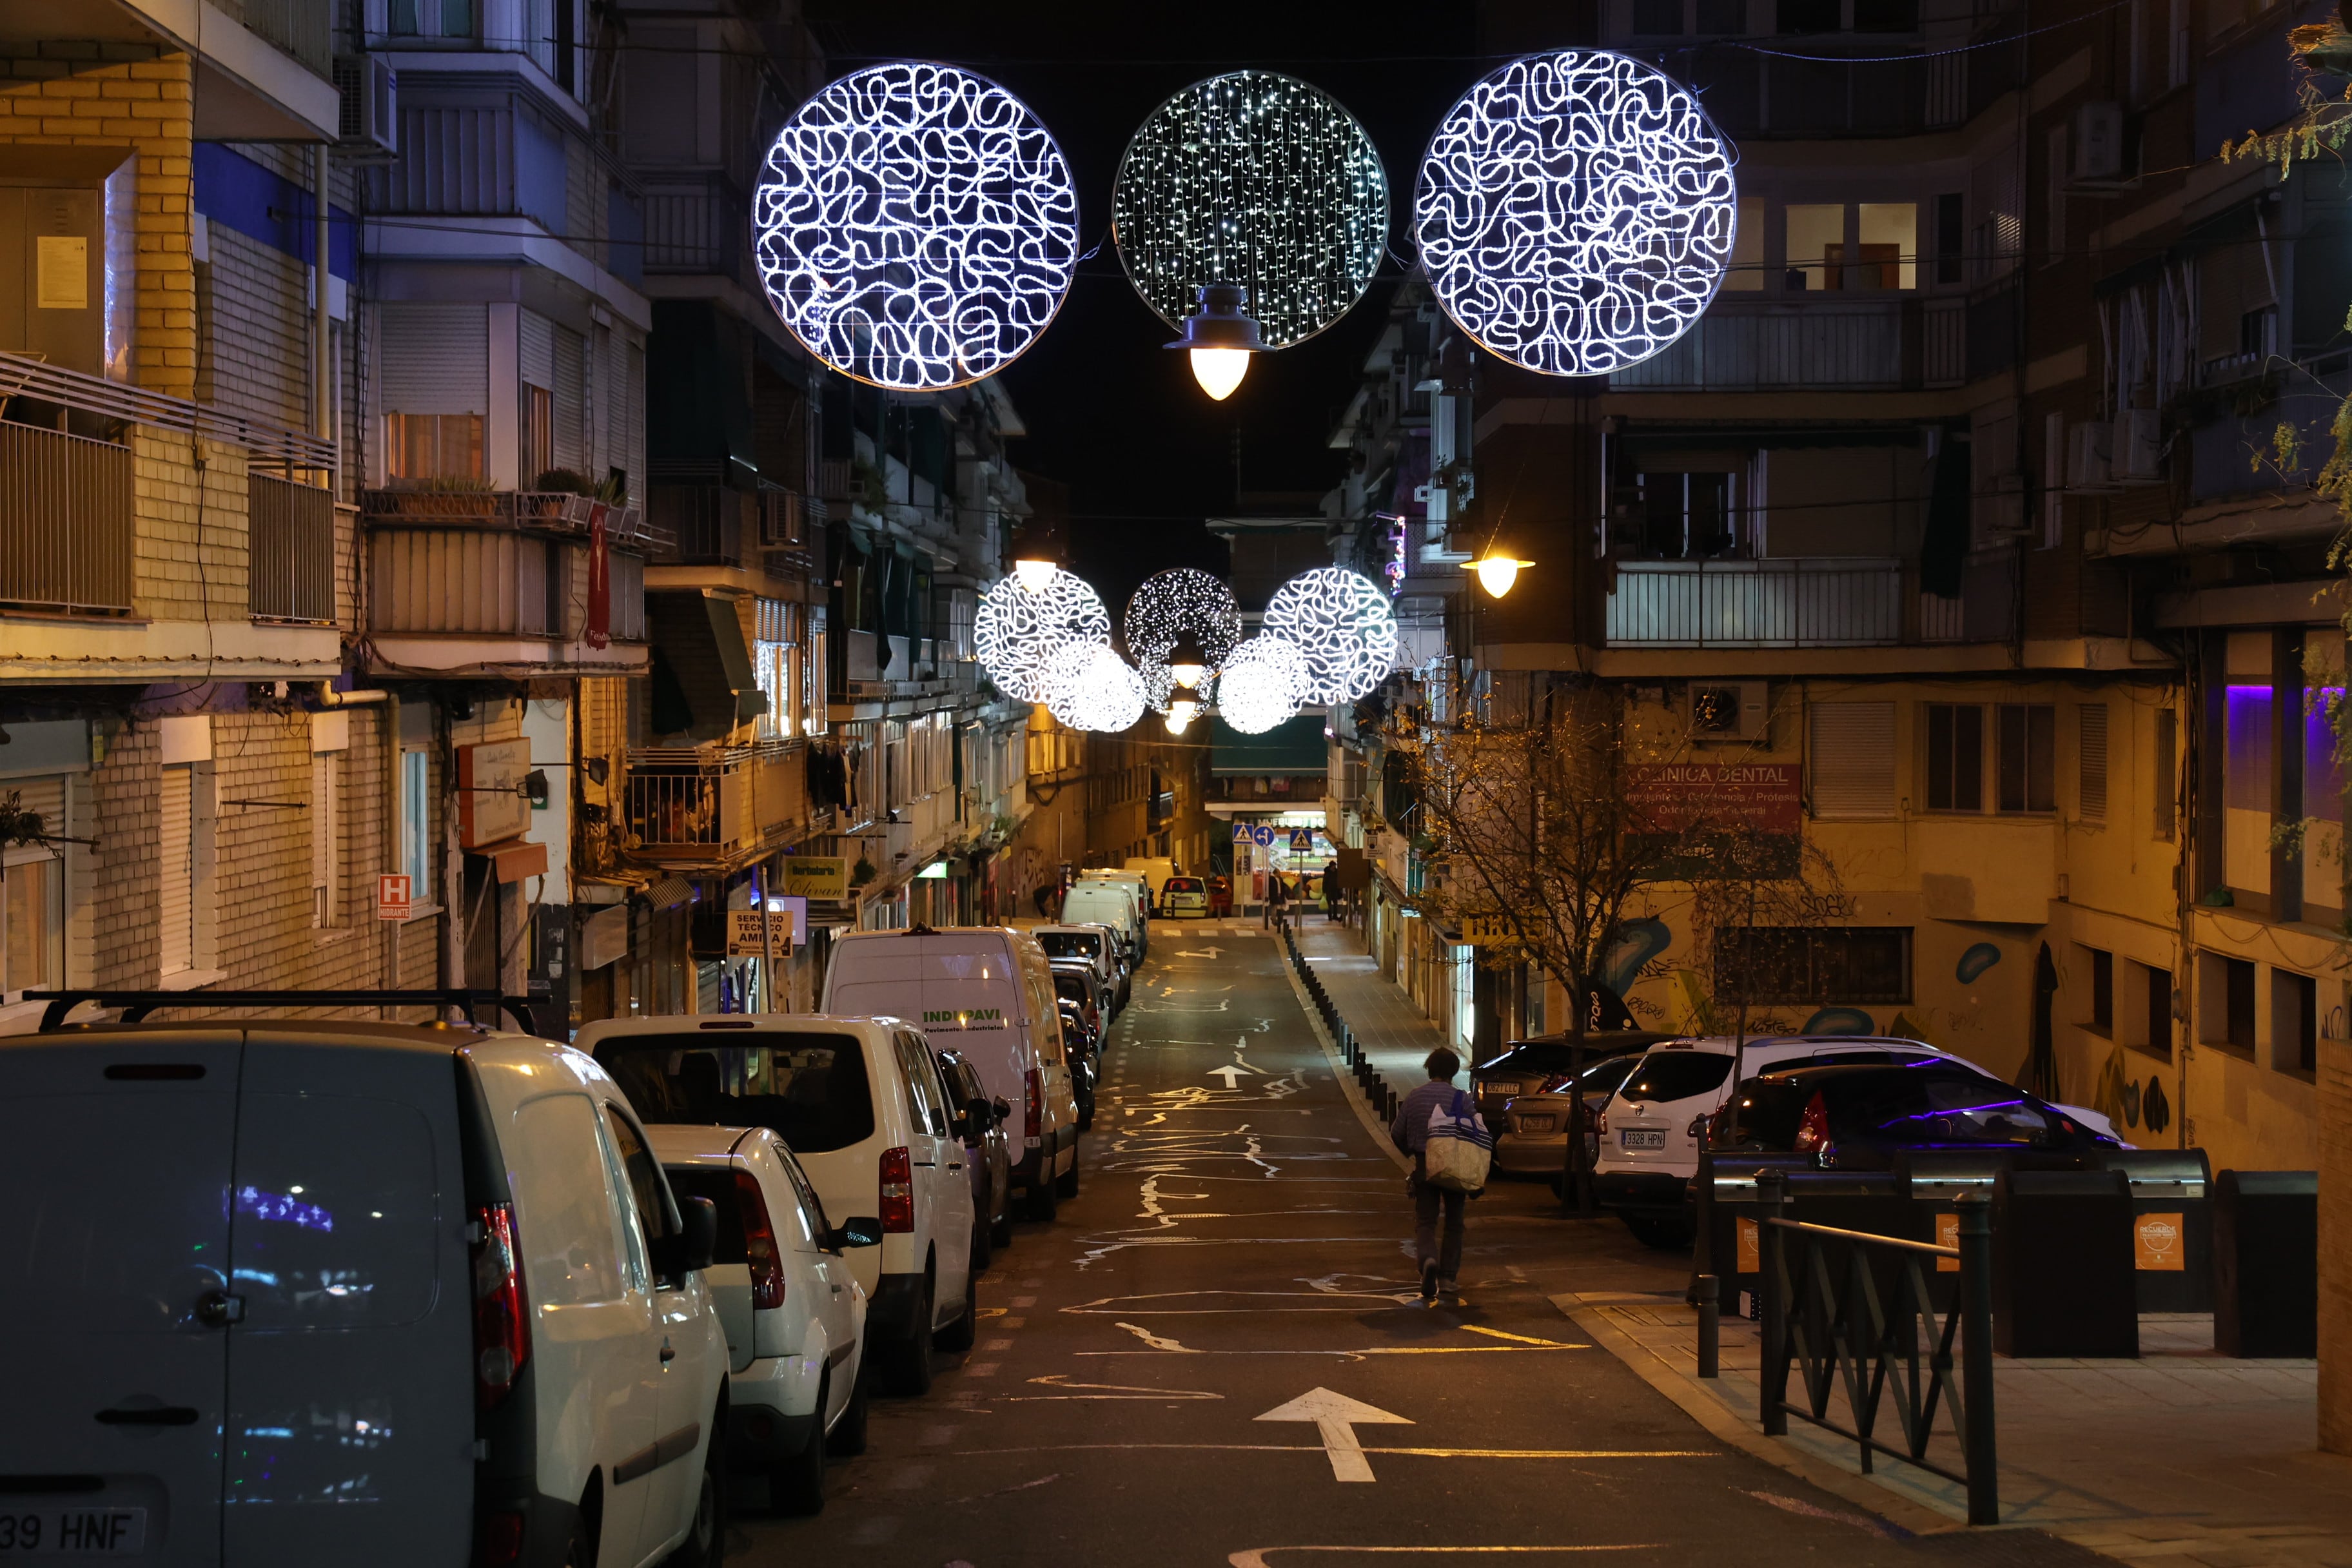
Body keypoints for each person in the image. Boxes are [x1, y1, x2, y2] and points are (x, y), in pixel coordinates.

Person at [1391, 1046, 1471, 1301]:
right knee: (1454, 1223)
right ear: (1454, 1071)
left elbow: (1396, 1133)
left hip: (1425, 1164)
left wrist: (1412, 1153)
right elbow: (1475, 1133)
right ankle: (1447, 1278)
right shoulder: (1462, 1098)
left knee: (1426, 1221)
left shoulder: (1415, 1097)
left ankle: (1427, 1260)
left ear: (1429, 1069)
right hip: (1455, 1166)